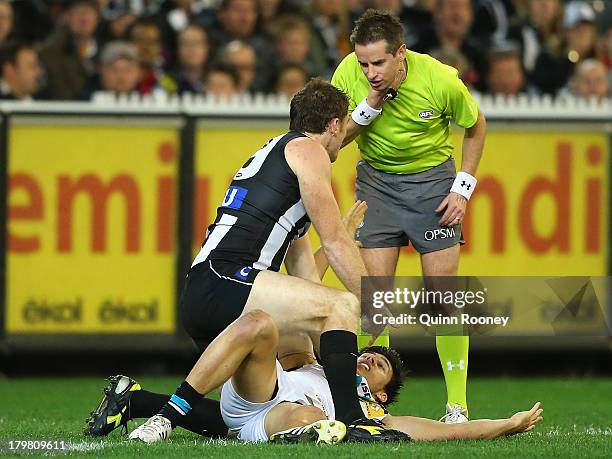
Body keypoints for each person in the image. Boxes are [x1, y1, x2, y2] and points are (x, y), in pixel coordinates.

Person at [85, 78, 398, 443]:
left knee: (255, 406)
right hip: (230, 279)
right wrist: (376, 300)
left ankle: (148, 407)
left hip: (206, 292)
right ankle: (354, 423)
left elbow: (306, 279)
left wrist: (328, 346)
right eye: (344, 126)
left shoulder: (278, 162)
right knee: (343, 302)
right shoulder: (309, 151)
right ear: (333, 125)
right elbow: (335, 241)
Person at [331, 10, 487, 423]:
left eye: (378, 63)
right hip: (377, 184)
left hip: (433, 186)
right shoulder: (348, 75)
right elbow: (336, 139)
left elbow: (476, 127)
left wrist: (462, 189)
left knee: (441, 299)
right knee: (372, 301)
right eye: (363, 63)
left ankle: (457, 407)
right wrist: (368, 106)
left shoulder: (440, 79)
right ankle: (363, 402)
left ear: (401, 53)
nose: (369, 72)